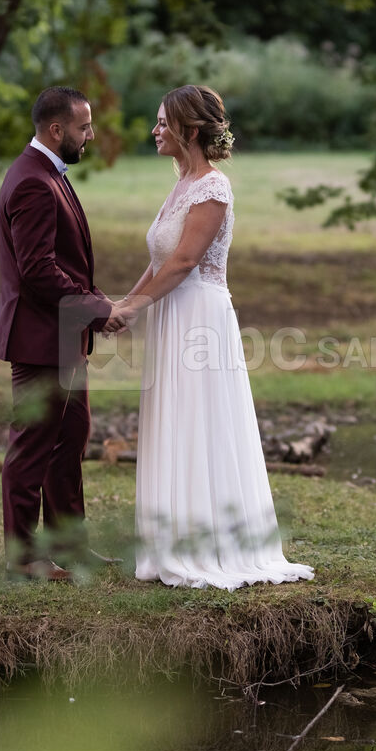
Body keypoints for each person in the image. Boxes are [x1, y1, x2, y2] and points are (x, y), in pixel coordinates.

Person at [116, 85, 314, 590]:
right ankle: (170, 541)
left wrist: (136, 307)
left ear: (190, 130)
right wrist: (124, 305)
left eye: (163, 123)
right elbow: (159, 259)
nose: (155, 130)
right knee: (172, 419)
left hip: (198, 317)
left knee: (199, 421)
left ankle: (211, 545)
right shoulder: (181, 183)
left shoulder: (212, 188)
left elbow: (184, 263)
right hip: (170, 314)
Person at [0, 86, 128, 581]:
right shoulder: (31, 181)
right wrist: (98, 309)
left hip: (63, 337)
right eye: (84, 127)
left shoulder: (49, 174)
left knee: (70, 439)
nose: (90, 134)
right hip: (40, 340)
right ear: (57, 130)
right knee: (32, 448)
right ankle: (25, 558)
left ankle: (69, 546)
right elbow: (38, 271)